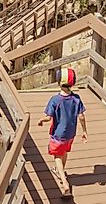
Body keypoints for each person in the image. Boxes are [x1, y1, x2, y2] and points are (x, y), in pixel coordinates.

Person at [37, 68, 87, 197]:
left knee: (57, 156)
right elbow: (81, 116)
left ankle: (65, 184)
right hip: (71, 134)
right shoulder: (76, 99)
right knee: (64, 152)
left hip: (58, 134)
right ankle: (60, 172)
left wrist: (42, 120)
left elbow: (48, 117)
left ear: (58, 82)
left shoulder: (55, 100)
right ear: (73, 83)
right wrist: (84, 131)